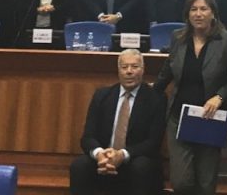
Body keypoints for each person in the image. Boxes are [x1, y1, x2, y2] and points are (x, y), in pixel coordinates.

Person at [153, 0, 227, 195]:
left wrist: (220, 96)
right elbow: (167, 70)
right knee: (181, 182)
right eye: (193, 9)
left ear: (213, 13)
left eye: (203, 9)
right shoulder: (178, 37)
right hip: (179, 117)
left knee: (206, 183)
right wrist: (149, 91)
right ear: (187, 14)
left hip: (210, 118)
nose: (198, 14)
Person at [69, 49, 166, 195]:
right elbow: (87, 137)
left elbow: (153, 143)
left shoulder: (156, 98)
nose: (129, 71)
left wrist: (122, 155)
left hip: (135, 160)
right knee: (79, 165)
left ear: (143, 69)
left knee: (141, 166)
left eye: (134, 67)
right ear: (118, 70)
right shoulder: (102, 95)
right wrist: (100, 154)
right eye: (124, 67)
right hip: (104, 161)